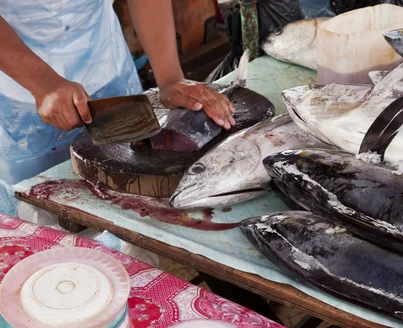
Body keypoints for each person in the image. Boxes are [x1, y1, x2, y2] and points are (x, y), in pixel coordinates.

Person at [0, 0, 235, 189]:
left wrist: (170, 76)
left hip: (106, 65)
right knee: (40, 201)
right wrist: (43, 82)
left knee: (128, 187)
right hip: (19, 91)